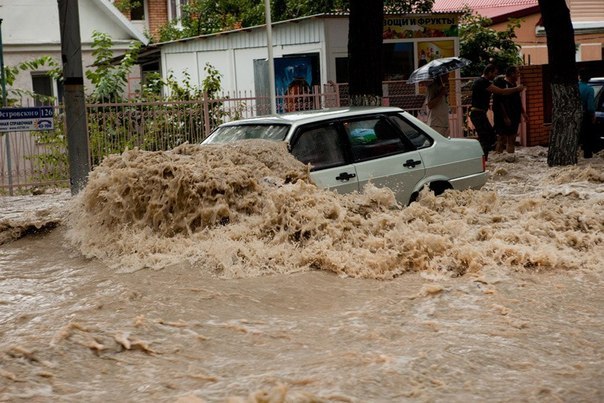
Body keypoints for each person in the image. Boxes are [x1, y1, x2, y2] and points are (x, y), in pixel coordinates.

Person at [469, 64, 525, 160]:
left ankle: (485, 160)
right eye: (494, 73)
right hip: (478, 114)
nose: (495, 75)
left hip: (481, 113)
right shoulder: (482, 82)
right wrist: (517, 89)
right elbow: (501, 92)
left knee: (490, 137)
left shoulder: (483, 82)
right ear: (489, 72)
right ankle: (481, 159)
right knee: (487, 138)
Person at [493, 66, 528, 154]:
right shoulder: (500, 83)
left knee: (512, 139)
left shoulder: (514, 85)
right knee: (502, 139)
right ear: (512, 74)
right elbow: (499, 102)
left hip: (514, 115)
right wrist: (505, 117)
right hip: (503, 116)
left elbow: (518, 100)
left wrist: (523, 113)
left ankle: (511, 159)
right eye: (517, 73)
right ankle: (499, 158)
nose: (519, 75)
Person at [578, 68, 596, 158]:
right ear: (589, 79)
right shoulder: (589, 90)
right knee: (587, 139)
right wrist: (593, 117)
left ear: (579, 77)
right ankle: (587, 156)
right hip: (585, 116)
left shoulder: (574, 87)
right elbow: (590, 107)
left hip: (573, 116)